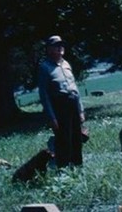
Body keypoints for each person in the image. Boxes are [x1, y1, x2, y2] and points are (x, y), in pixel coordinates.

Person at [38, 35, 85, 168]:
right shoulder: (45, 67)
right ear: (49, 49)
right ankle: (63, 168)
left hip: (73, 103)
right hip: (59, 105)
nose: (60, 48)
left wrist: (80, 110)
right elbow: (44, 95)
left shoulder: (66, 64)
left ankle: (78, 165)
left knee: (77, 137)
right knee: (64, 139)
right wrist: (51, 117)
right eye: (56, 45)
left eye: (61, 45)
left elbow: (75, 88)